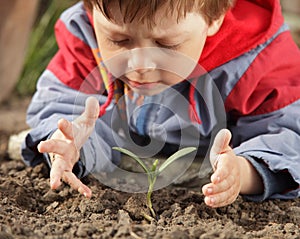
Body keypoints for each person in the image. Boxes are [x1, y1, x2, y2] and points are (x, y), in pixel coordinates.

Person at [22, 0, 300, 208]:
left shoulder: (256, 60)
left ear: (214, 17)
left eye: (166, 45)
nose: (140, 66)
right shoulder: (86, 35)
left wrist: (242, 171)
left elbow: (286, 132)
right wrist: (71, 145)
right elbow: (61, 104)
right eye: (119, 40)